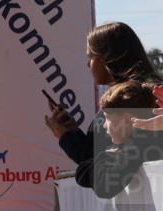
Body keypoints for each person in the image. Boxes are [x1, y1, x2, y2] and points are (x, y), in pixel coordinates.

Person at [45, 22, 161, 163]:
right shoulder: (138, 94)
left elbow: (101, 165)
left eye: (91, 57)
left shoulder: (132, 98)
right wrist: (71, 131)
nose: (88, 64)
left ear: (106, 58)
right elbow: (99, 152)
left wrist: (64, 135)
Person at [75, 80, 163, 198]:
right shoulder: (139, 141)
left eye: (107, 118)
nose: (104, 125)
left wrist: (106, 156)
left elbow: (104, 186)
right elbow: (82, 171)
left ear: (126, 119)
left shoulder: (141, 142)